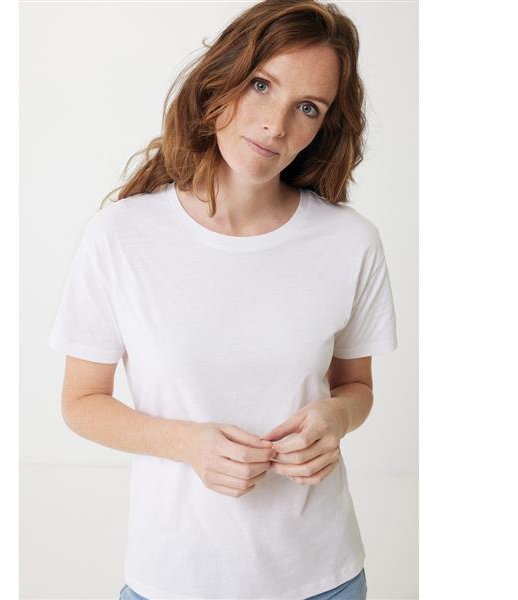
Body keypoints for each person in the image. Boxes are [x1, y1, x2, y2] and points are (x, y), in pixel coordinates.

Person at [47, 1, 398, 598]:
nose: (275, 125)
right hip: (172, 578)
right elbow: (81, 402)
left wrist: (334, 418)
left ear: (323, 126)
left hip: (324, 577)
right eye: (262, 85)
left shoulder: (350, 242)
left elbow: (356, 387)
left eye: (307, 107)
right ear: (222, 78)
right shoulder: (121, 236)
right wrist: (188, 444)